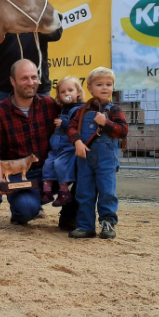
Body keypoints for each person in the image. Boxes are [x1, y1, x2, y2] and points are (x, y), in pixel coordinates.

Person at [0, 28, 63, 220]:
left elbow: (56, 33)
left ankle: (36, 200)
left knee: (48, 142)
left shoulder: (36, 14)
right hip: (2, 88)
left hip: (39, 89)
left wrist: (41, 25)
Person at [0, 59, 76, 227]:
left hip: (52, 172)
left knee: (87, 170)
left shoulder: (50, 105)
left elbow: (74, 123)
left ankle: (69, 215)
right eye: (24, 78)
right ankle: (24, 206)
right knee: (25, 210)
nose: (31, 82)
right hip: (21, 178)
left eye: (34, 77)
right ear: (12, 81)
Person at [66, 67, 128, 240]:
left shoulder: (114, 110)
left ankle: (107, 224)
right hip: (84, 158)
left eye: (109, 84)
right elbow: (71, 128)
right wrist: (77, 141)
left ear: (113, 87)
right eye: (99, 84)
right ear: (90, 88)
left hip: (106, 160)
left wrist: (106, 122)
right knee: (84, 192)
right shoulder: (82, 110)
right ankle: (85, 226)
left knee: (107, 192)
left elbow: (123, 131)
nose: (104, 88)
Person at [39, 76, 84, 207]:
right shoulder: (62, 108)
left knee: (60, 164)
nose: (67, 94)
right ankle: (47, 191)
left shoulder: (80, 109)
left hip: (67, 145)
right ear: (58, 95)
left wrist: (64, 123)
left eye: (70, 90)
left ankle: (64, 192)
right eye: (63, 92)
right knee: (48, 164)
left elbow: (79, 126)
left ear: (78, 92)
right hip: (55, 146)